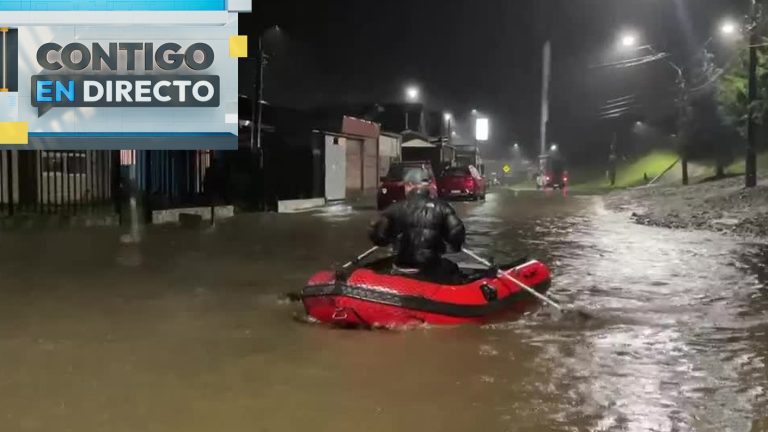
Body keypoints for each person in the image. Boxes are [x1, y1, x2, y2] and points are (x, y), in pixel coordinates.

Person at [368, 168, 466, 282]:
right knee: (452, 268)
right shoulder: (443, 208)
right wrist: (446, 242)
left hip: (402, 268)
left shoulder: (394, 209)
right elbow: (456, 236)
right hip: (431, 268)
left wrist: (377, 231)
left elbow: (379, 239)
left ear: (410, 185)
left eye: (404, 186)